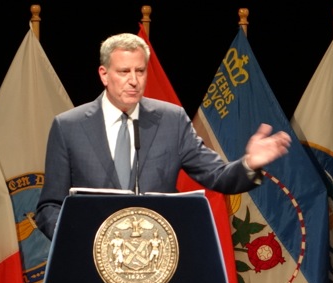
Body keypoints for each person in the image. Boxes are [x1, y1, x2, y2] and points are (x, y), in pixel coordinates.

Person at [35, 33, 291, 240]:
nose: (134, 81)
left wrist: (249, 164)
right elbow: (49, 207)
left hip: (158, 262)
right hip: (91, 261)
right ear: (104, 74)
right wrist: (75, 238)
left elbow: (217, 175)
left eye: (140, 71)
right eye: (124, 72)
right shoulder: (69, 126)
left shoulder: (171, 120)